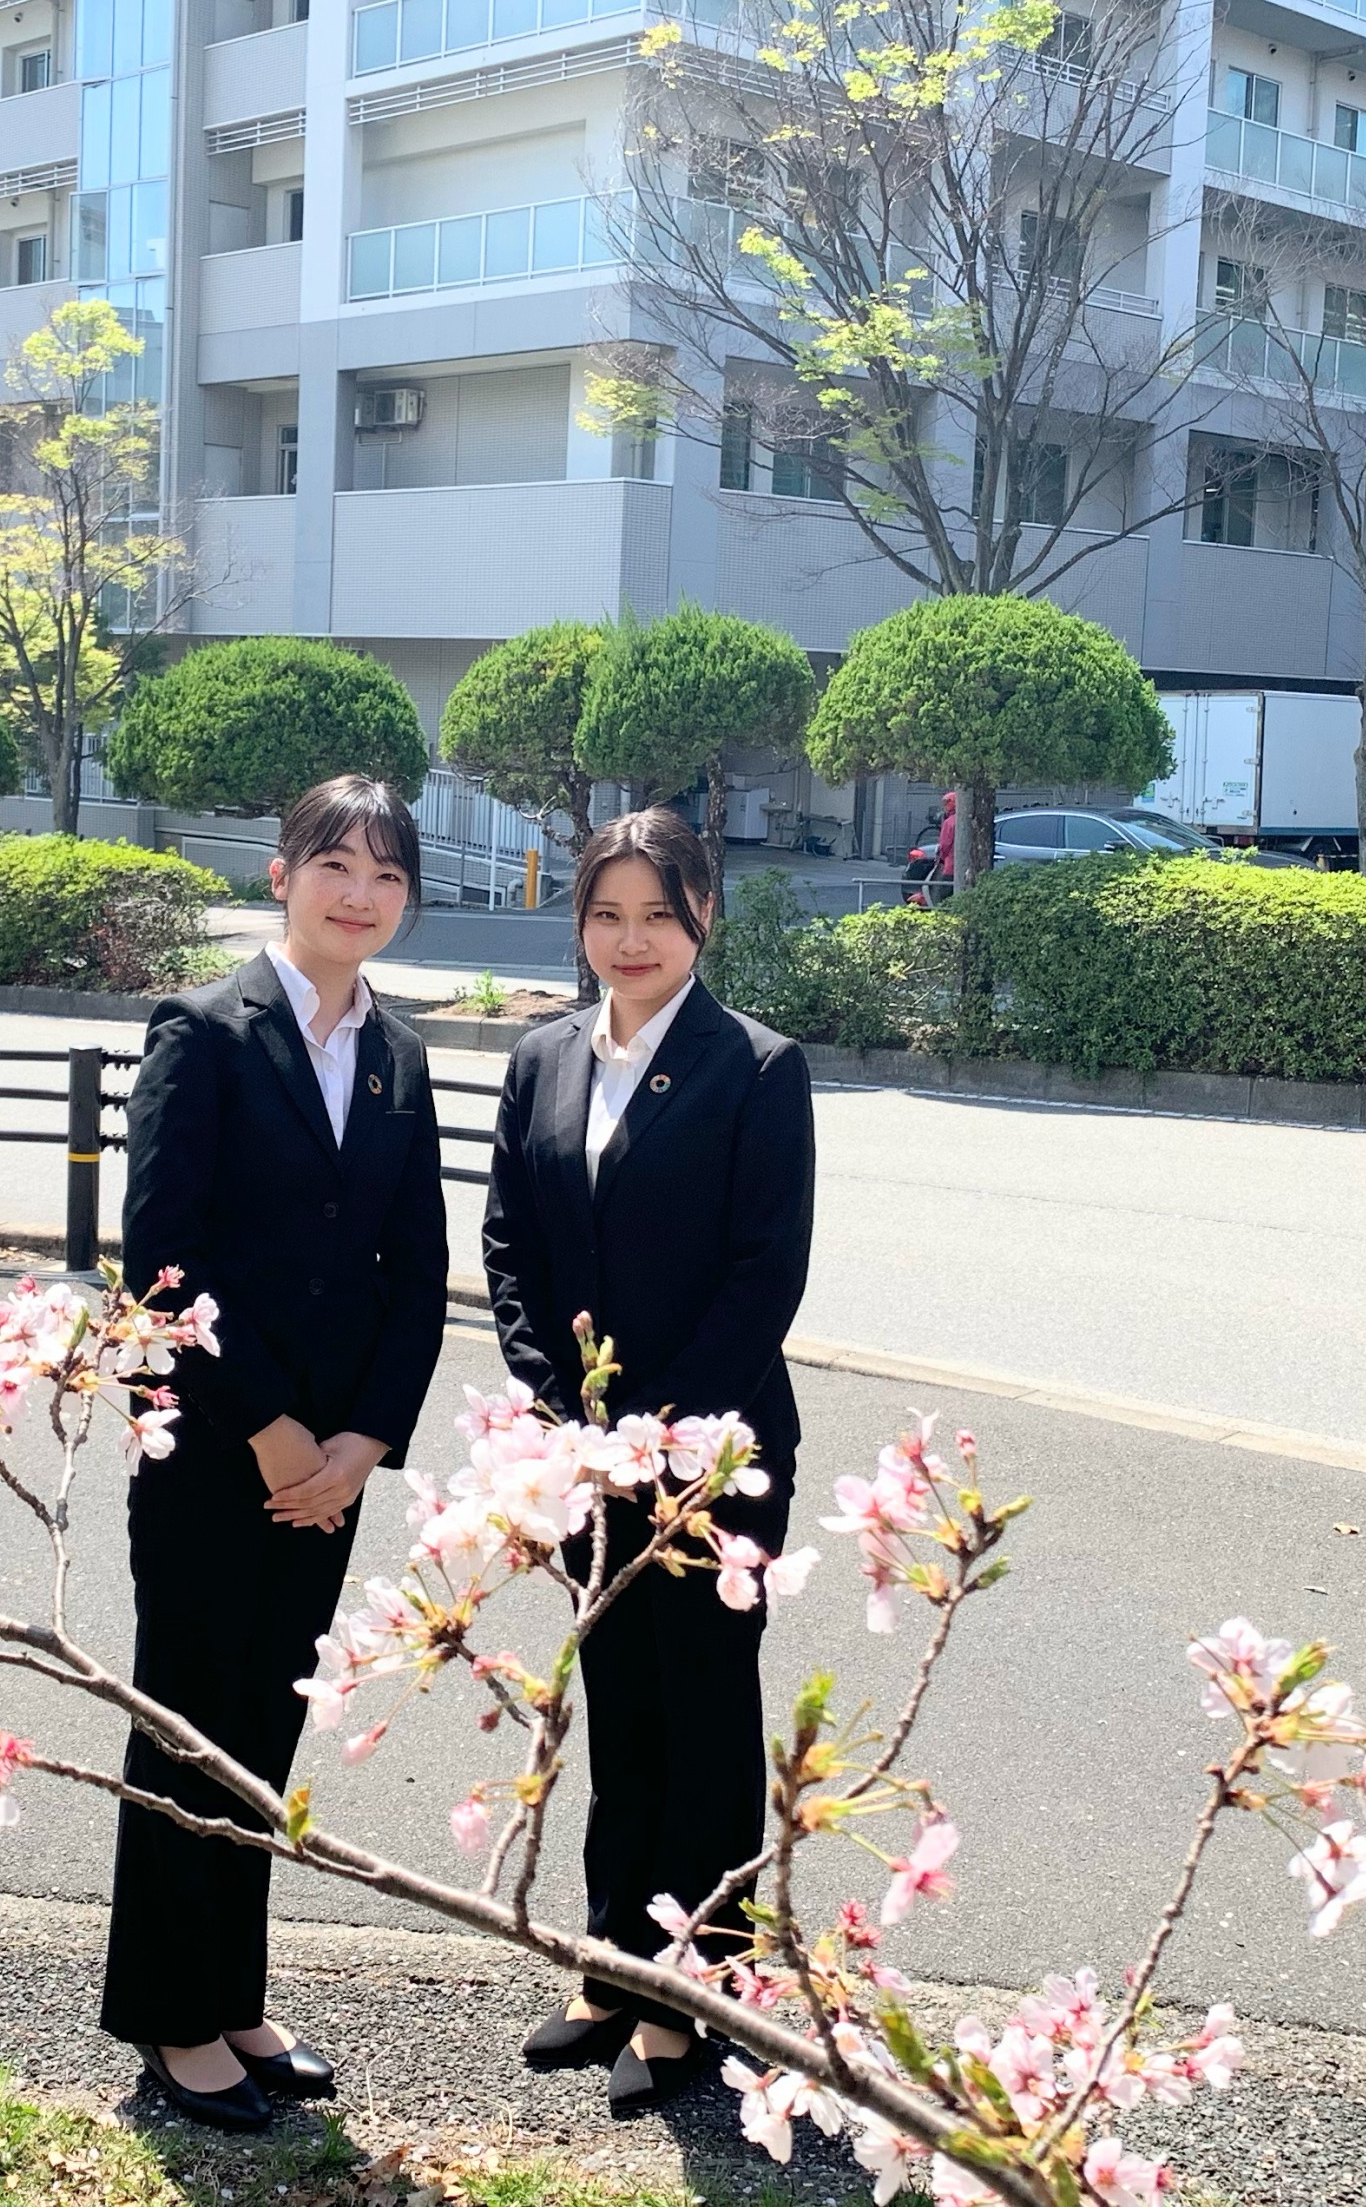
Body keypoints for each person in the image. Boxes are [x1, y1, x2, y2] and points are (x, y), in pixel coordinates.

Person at [103, 776, 449, 2130]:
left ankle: (233, 1995)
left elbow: (414, 1270)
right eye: (335, 866)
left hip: (330, 1469)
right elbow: (159, 1256)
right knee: (187, 1719)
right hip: (212, 1446)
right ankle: (169, 2014)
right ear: (280, 875)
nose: (359, 894)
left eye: (386, 874)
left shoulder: (397, 1052)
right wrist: (268, 1425)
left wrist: (365, 1439)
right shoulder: (202, 1030)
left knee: (263, 1724)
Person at [479, 808, 818, 2118]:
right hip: (583, 1455)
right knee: (618, 1702)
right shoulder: (544, 1057)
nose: (631, 941)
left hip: (713, 1453)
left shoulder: (758, 1068)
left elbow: (762, 1279)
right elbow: (510, 1244)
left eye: (658, 916)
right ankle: (613, 1963)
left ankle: (696, 1993)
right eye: (607, 915)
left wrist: (654, 1433)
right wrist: (559, 1408)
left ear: (704, 917)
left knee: (704, 1716)